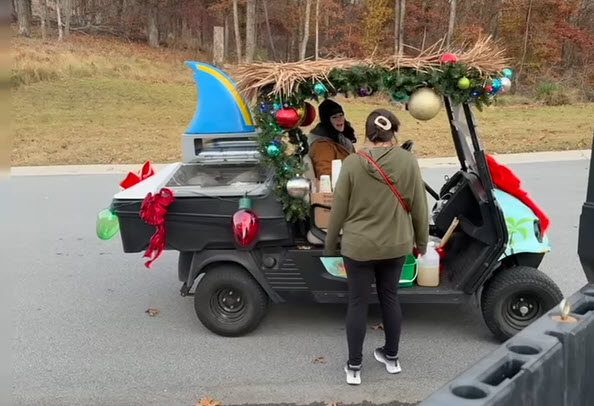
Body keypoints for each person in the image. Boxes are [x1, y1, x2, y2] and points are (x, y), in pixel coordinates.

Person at [324, 108, 429, 385]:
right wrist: (421, 243)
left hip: (358, 247)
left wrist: (330, 245)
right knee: (390, 297)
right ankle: (391, 357)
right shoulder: (407, 161)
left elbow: (338, 210)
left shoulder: (352, 163)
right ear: (393, 131)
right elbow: (419, 206)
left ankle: (354, 366)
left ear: (368, 132)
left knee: (357, 303)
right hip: (396, 245)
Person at [308, 99, 357, 178]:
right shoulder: (322, 146)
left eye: (341, 115)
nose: (339, 119)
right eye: (334, 117)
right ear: (327, 121)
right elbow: (326, 175)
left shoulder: (340, 137)